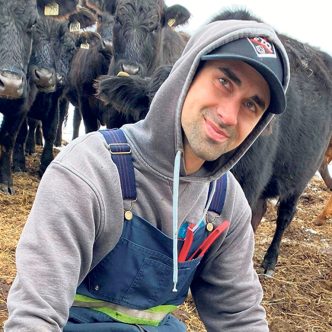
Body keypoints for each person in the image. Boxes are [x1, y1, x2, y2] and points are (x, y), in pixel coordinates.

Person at [5, 18, 290, 332]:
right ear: (188, 74)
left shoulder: (224, 203)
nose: (228, 115)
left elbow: (240, 317)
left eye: (251, 104)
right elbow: (35, 317)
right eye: (224, 82)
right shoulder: (90, 171)